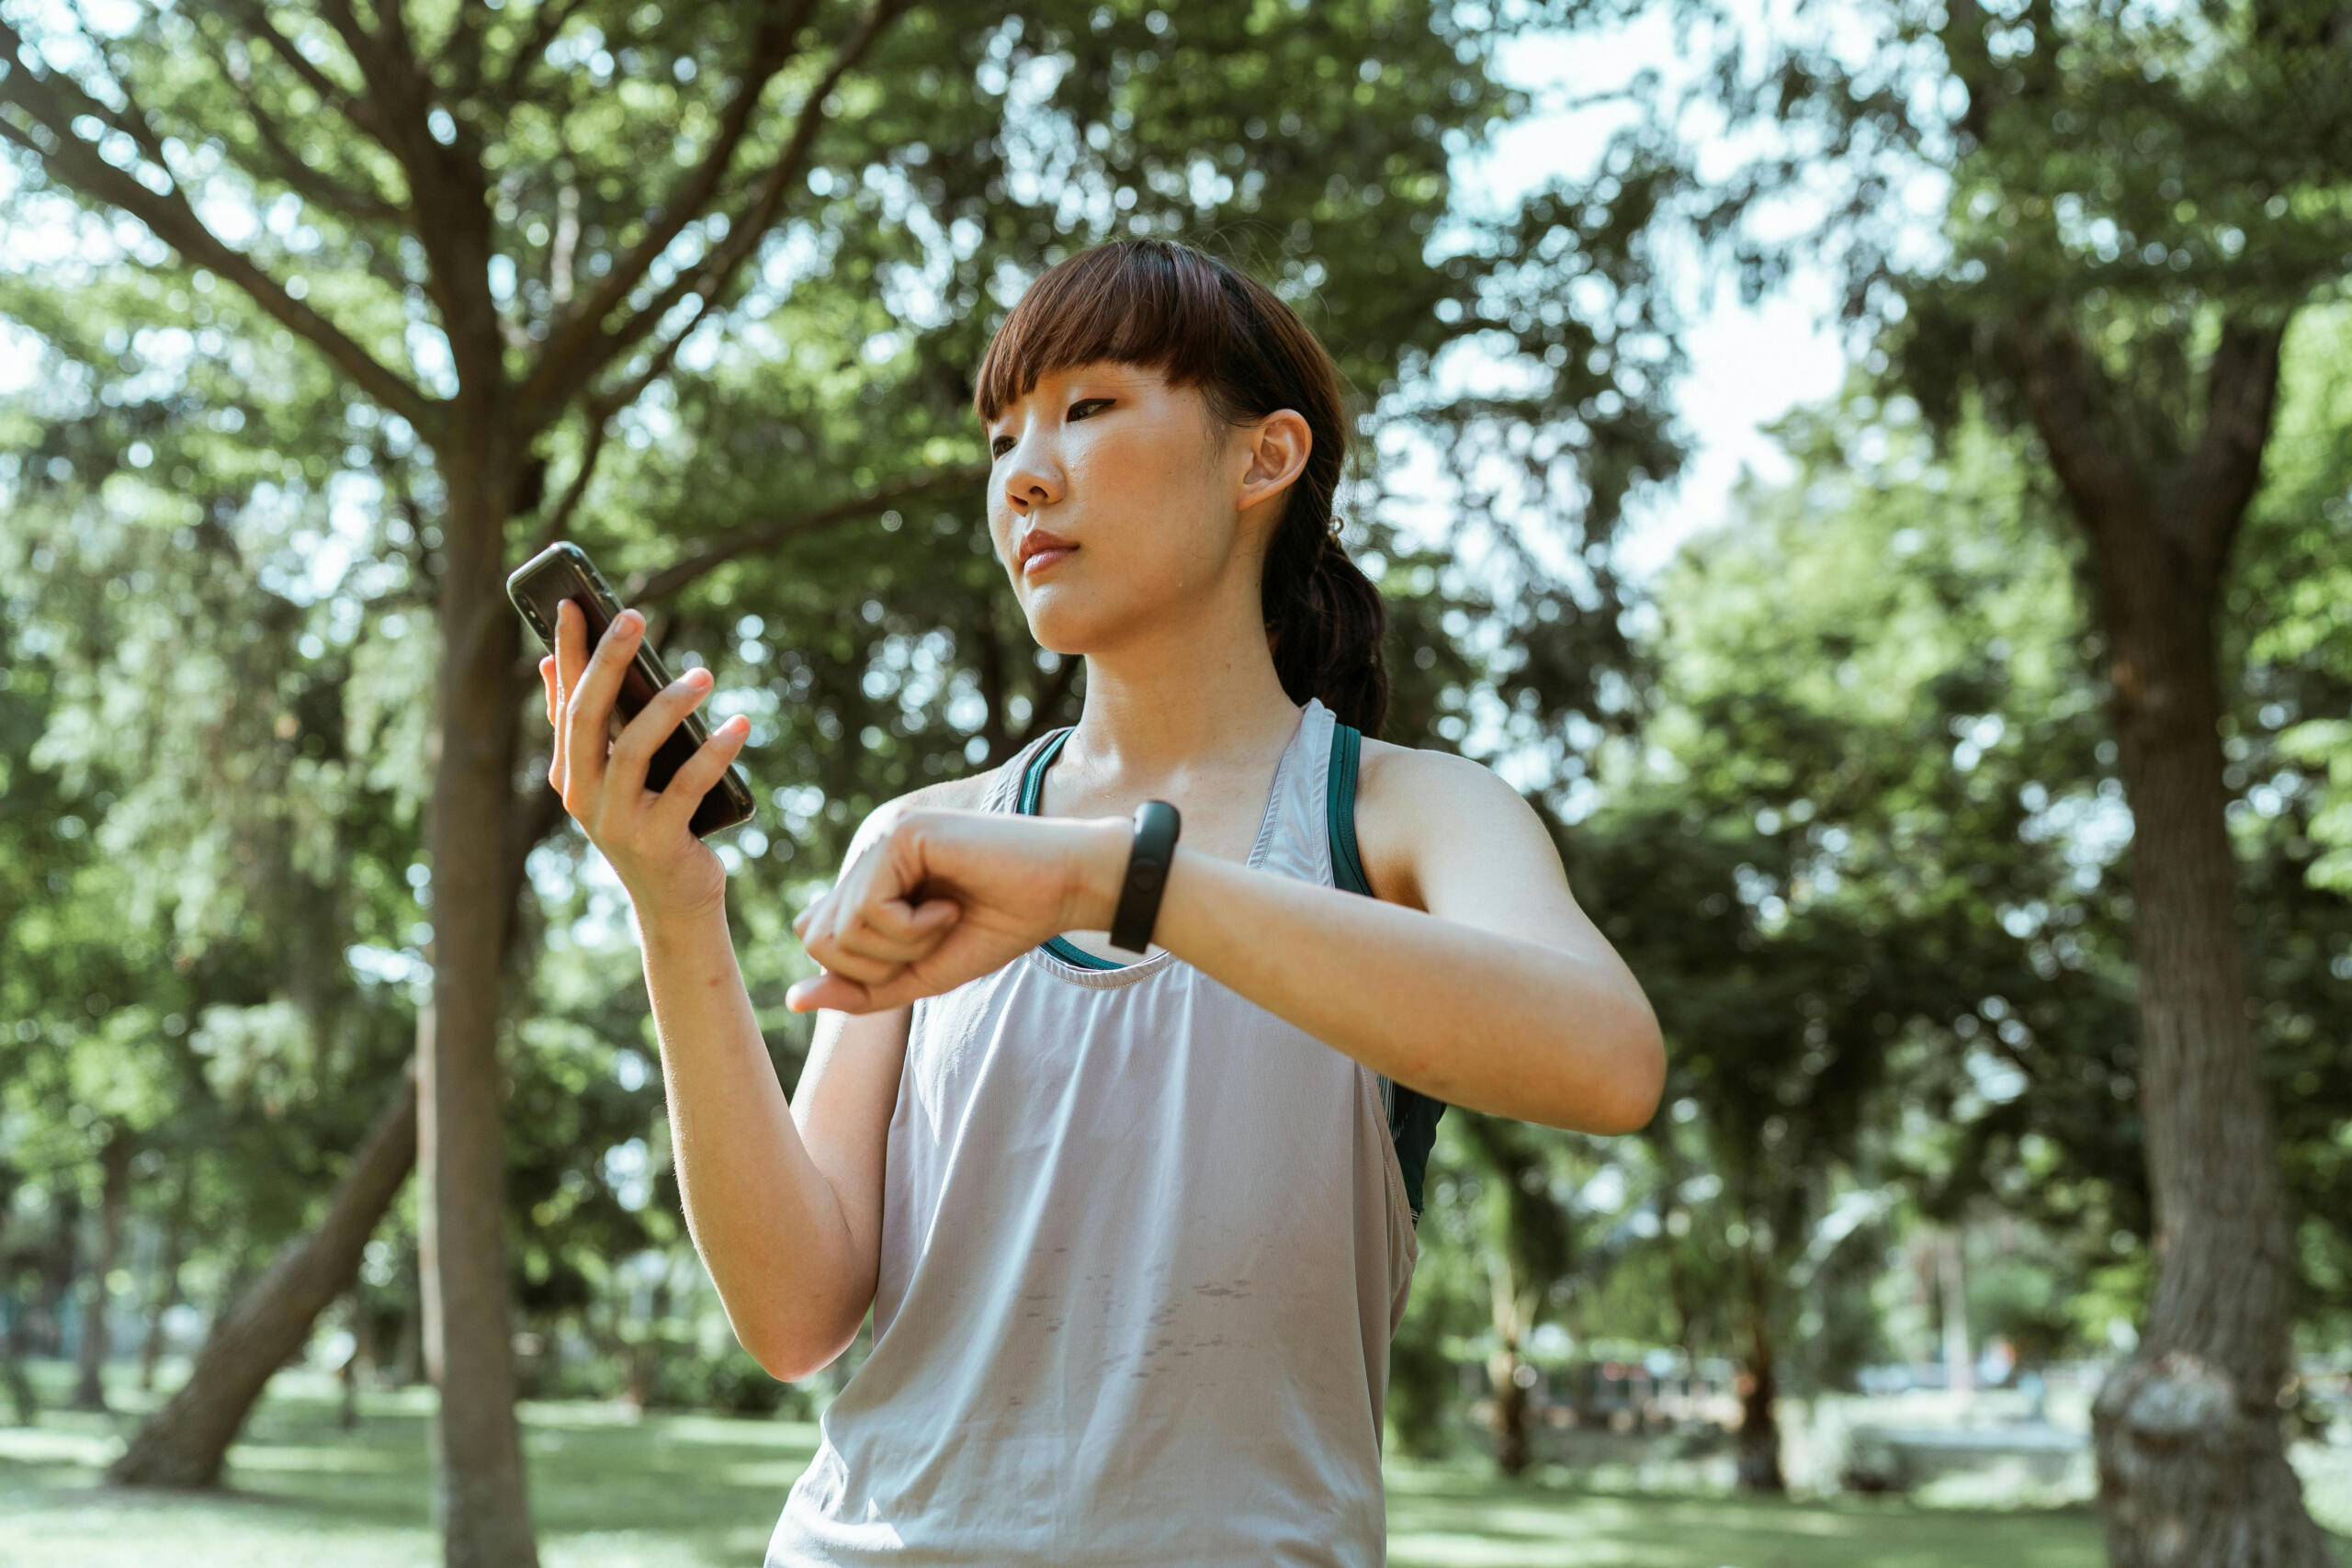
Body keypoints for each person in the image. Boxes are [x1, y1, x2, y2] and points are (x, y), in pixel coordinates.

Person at [536, 238, 1666, 1566]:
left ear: (1265, 457)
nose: (1023, 472)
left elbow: (1606, 1060)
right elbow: (797, 1315)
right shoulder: (916, 834)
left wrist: (1116, 878)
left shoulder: (1406, 814)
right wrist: (674, 909)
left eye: (1087, 408)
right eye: (1003, 435)